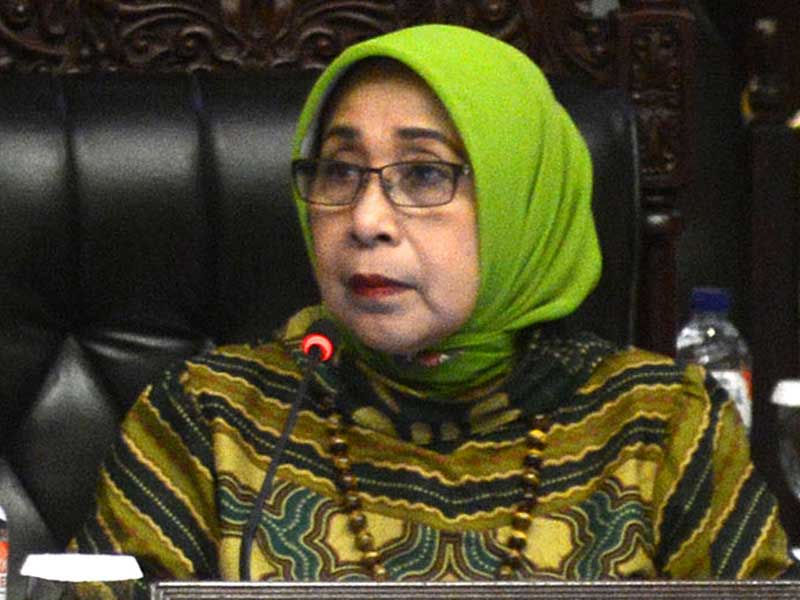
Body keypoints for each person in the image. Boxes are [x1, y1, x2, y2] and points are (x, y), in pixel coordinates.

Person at [68, 24, 799, 598]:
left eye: (422, 174)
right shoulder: (209, 420)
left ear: (523, 205)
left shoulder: (660, 426)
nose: (366, 219)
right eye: (340, 170)